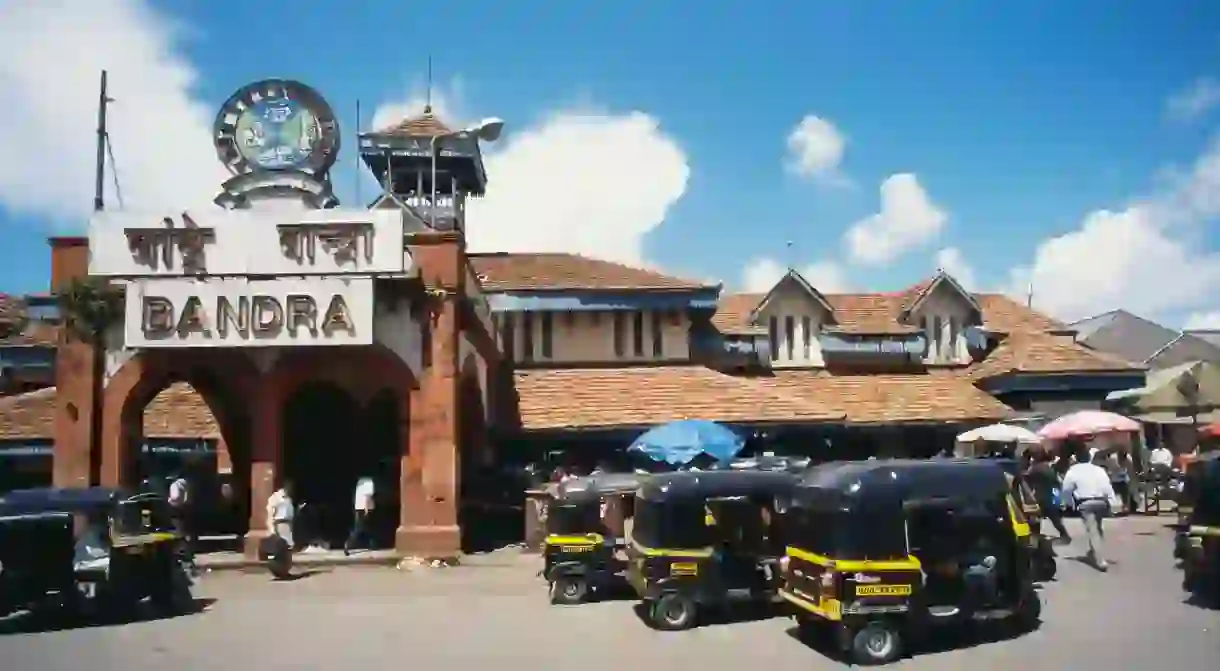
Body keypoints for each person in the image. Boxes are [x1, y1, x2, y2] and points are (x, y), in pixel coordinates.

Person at [1061, 452, 1118, 571]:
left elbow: (1066, 489)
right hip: (1102, 502)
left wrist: (1069, 503)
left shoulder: (1073, 471)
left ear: (1076, 458)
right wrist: (1113, 502)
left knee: (1093, 530)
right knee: (1098, 527)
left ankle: (1100, 560)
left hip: (1085, 503)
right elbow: (1107, 486)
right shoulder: (1098, 470)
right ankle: (1094, 551)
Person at [1024, 450, 1071, 542]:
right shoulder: (1048, 466)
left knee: (1037, 516)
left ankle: (1036, 535)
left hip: (1043, 495)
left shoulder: (1036, 468)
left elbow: (1027, 479)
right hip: (1050, 494)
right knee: (1053, 517)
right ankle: (1064, 534)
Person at [166, 473, 196, 567]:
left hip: (176, 509)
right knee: (184, 530)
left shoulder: (174, 485)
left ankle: (181, 552)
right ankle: (187, 551)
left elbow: (175, 496)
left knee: (177, 531)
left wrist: (169, 500)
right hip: (186, 508)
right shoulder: (186, 483)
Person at [344, 475, 376, 556]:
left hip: (358, 508)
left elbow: (357, 496)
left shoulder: (360, 482)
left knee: (367, 528)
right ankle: (348, 545)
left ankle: (372, 544)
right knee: (359, 529)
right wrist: (366, 510)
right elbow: (367, 497)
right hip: (365, 508)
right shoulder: (369, 482)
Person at [266, 481, 296, 550]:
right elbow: (270, 513)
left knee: (288, 545)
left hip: (288, 523)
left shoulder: (289, 498)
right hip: (279, 523)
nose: (291, 489)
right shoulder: (276, 497)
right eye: (289, 487)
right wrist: (272, 528)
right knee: (281, 543)